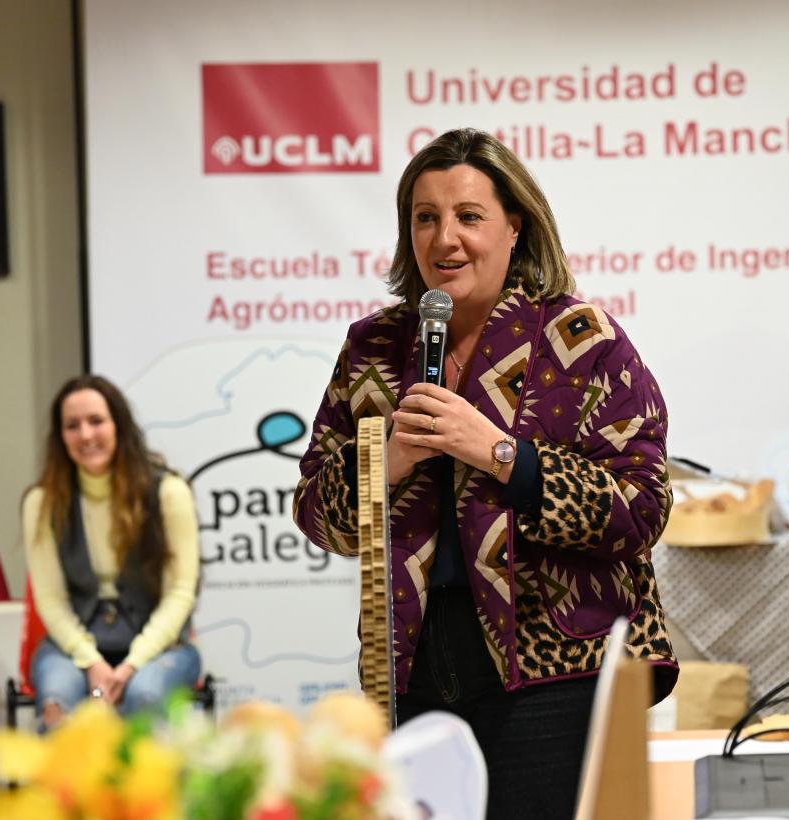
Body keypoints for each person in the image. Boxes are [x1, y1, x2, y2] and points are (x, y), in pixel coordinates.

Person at [294, 128, 677, 818]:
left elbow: (642, 505)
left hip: (552, 668)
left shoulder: (580, 339)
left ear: (514, 227)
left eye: (469, 216)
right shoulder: (374, 348)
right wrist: (386, 460)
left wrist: (502, 454)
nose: (446, 239)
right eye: (426, 217)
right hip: (408, 664)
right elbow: (316, 515)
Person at [22, 375, 201, 729]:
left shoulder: (169, 492)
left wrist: (132, 665)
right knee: (58, 701)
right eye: (72, 425)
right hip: (72, 646)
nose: (86, 434)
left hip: (161, 647)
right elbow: (50, 599)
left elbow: (180, 593)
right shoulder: (41, 503)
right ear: (60, 437)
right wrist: (92, 662)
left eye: (96, 421)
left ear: (119, 424)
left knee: (145, 695)